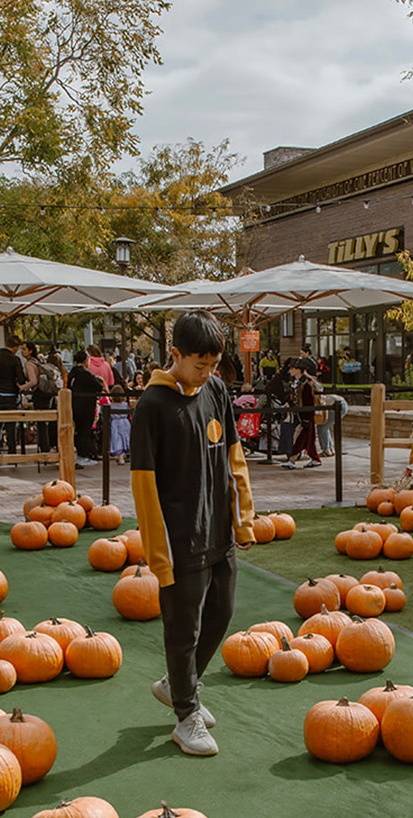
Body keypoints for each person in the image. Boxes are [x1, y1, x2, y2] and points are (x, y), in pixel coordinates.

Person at [131, 312, 255, 756]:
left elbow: (234, 459)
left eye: (214, 366)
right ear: (176, 356)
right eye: (199, 366)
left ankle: (177, 685)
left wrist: (243, 517)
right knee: (183, 628)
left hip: (219, 529)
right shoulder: (152, 407)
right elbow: (143, 487)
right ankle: (186, 715)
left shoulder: (217, 390)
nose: (208, 374)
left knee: (221, 613)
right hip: (179, 538)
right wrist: (158, 555)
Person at [0, 334, 28, 456]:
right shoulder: (15, 360)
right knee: (11, 426)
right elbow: (21, 379)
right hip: (11, 396)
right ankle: (12, 452)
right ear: (15, 347)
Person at [280, 359, 323, 468]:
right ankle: (315, 458)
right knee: (308, 437)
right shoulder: (296, 382)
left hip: (306, 414)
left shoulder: (307, 383)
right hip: (300, 413)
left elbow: (308, 400)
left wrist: (306, 417)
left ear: (299, 370)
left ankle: (293, 458)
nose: (290, 371)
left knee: (301, 436)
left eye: (292, 368)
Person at [67, 350, 105, 467]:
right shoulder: (86, 374)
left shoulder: (72, 373)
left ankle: (80, 455)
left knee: (79, 430)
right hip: (86, 406)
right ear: (85, 360)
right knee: (84, 431)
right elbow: (98, 386)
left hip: (74, 404)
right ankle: (82, 456)